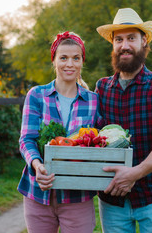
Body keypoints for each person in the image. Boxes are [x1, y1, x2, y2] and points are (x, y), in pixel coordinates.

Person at [95, 8, 152, 233]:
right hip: (112, 199)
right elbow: (93, 140)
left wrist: (135, 173)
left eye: (131, 38)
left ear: (144, 41)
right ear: (113, 45)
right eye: (119, 39)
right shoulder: (102, 88)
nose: (125, 45)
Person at [17, 31, 101, 233]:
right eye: (63, 58)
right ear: (54, 61)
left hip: (77, 196)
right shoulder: (37, 95)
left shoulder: (93, 101)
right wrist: (37, 166)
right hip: (38, 193)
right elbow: (27, 139)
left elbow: (100, 144)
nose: (69, 64)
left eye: (76, 58)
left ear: (82, 62)